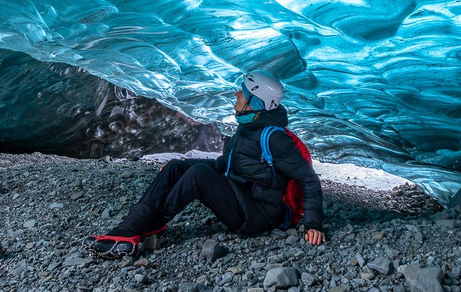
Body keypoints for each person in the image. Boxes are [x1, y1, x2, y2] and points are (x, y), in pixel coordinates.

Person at [84, 70, 325, 259]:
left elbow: (309, 179)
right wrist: (182, 166)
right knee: (176, 166)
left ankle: (143, 227)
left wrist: (313, 224)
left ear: (255, 102)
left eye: (242, 93)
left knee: (198, 174)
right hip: (240, 195)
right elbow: (224, 164)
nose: (236, 96)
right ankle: (133, 225)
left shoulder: (273, 138)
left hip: (255, 215)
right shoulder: (247, 128)